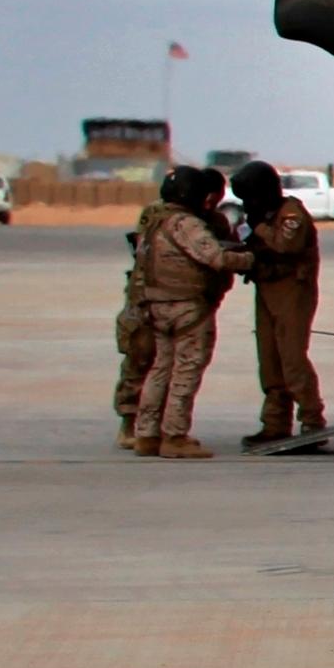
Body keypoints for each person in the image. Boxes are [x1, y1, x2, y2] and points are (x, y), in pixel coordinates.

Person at [129, 164, 252, 458]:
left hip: (157, 306)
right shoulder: (186, 224)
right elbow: (216, 258)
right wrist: (250, 259)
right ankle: (174, 436)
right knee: (187, 369)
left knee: (160, 369)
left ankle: (146, 434)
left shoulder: (154, 221)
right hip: (187, 308)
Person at [229, 161, 327, 450]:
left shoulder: (291, 214)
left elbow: (287, 246)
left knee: (292, 359)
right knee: (270, 361)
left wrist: (258, 227)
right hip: (267, 289)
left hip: (292, 292)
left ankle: (312, 420)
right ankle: (275, 423)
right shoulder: (267, 215)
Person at [112, 179, 188, 450]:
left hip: (161, 294)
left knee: (164, 363)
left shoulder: (178, 214)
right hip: (145, 294)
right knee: (140, 356)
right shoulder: (160, 214)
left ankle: (153, 425)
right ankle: (130, 423)